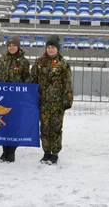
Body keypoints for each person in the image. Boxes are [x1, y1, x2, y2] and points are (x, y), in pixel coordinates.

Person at [30, 35, 73, 165]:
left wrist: (68, 100)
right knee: (44, 128)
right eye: (48, 47)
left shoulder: (63, 64)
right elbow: (32, 80)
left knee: (55, 127)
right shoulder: (39, 63)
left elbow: (68, 83)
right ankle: (46, 152)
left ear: (58, 49)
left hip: (57, 103)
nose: (50, 49)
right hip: (42, 102)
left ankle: (54, 152)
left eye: (53, 47)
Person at [0, 35, 30, 163]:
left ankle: (11, 151)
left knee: (15, 125)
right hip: (2, 99)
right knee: (3, 125)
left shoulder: (24, 62)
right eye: (9, 46)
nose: (11, 48)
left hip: (17, 100)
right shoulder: (2, 60)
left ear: (18, 46)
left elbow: (27, 80)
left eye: (14, 45)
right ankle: (4, 151)